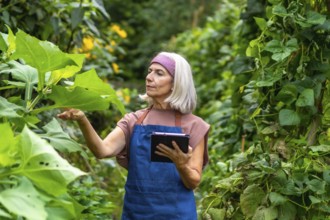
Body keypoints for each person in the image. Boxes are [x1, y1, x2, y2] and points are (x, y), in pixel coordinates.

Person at [57, 51, 210, 219]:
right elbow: (102, 150)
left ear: (176, 83)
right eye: (150, 71)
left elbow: (193, 181)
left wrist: (181, 165)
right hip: (137, 212)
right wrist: (82, 119)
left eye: (159, 73)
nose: (149, 77)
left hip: (177, 214)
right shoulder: (134, 120)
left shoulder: (194, 126)